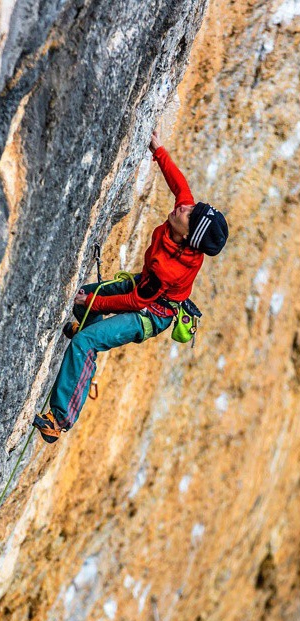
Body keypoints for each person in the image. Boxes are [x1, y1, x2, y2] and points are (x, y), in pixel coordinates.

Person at [33, 131, 229, 443]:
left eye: (190, 214)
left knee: (85, 341)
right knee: (84, 299)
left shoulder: (171, 269)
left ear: (188, 235)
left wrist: (95, 302)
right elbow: (181, 185)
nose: (185, 207)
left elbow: (137, 301)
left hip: (151, 313)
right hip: (146, 290)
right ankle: (81, 349)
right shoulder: (185, 222)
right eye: (191, 208)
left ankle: (59, 419)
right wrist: (158, 149)